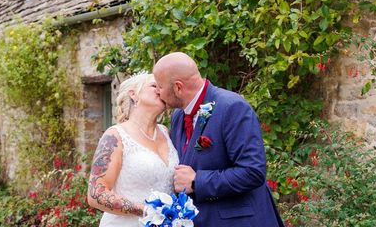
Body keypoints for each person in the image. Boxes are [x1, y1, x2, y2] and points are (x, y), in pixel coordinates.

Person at [153, 52, 285, 227]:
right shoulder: (178, 116)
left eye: (159, 86)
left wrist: (196, 181)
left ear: (178, 87)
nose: (157, 92)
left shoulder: (232, 107)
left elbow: (253, 171)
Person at [87, 73, 179, 226]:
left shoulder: (166, 132)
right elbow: (96, 194)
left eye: (162, 87)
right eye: (154, 86)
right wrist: (147, 211)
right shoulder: (115, 136)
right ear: (134, 94)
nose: (160, 91)